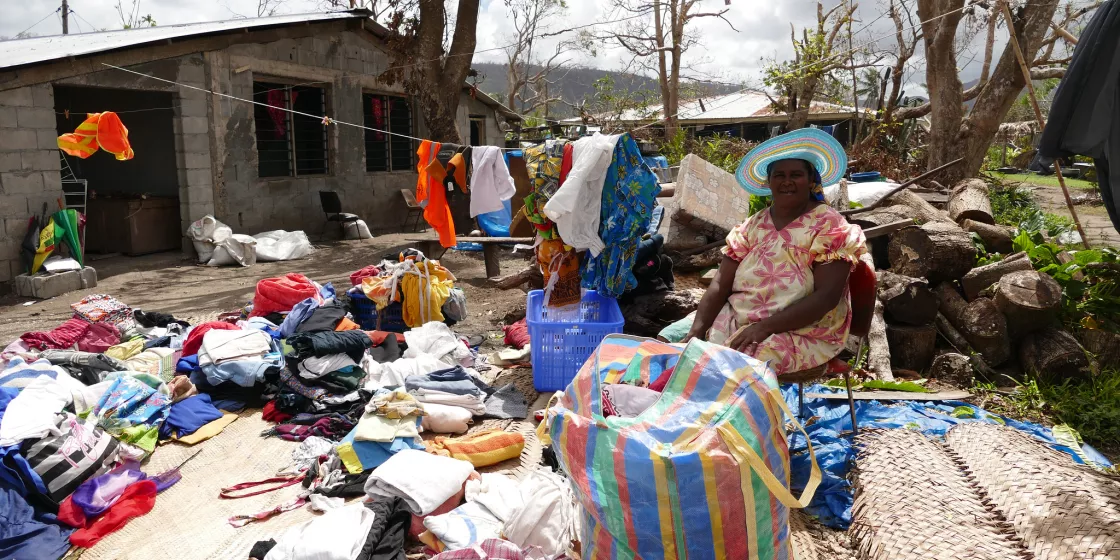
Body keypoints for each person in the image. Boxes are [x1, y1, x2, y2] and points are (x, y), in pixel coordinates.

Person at [658, 128, 867, 378]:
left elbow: (826, 298)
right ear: (769, 182)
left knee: (734, 367)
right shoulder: (752, 226)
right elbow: (719, 285)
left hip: (803, 329)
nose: (786, 181)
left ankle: (738, 417)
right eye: (779, 175)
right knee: (670, 342)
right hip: (740, 317)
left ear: (811, 181)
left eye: (796, 175)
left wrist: (763, 328)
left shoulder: (830, 227)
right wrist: (695, 331)